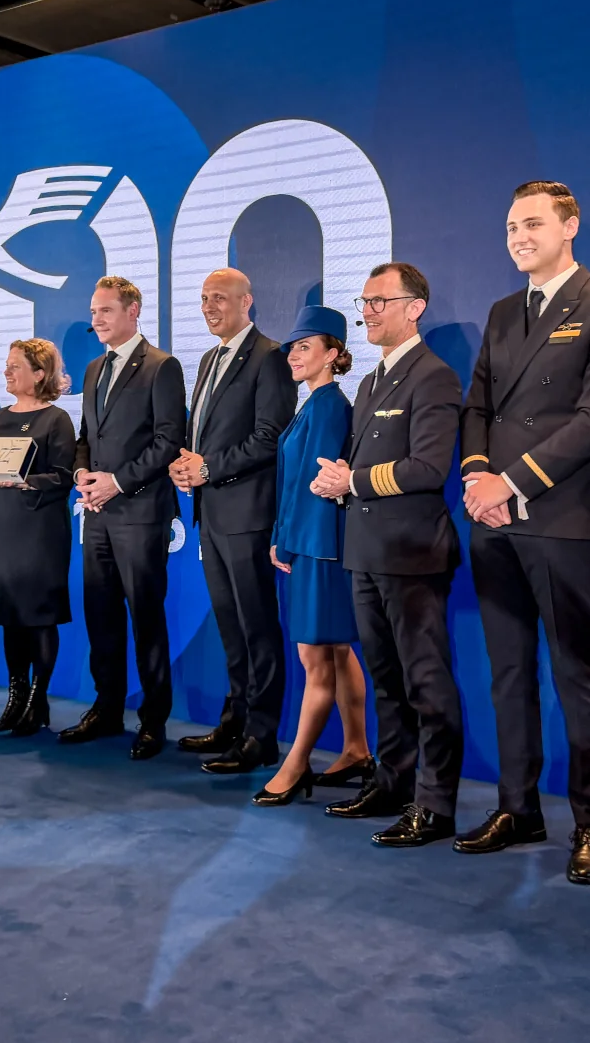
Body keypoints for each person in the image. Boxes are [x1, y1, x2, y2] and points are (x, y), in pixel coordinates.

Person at [453, 181, 590, 885]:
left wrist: (513, 481)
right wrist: (476, 477)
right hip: (492, 520)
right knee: (507, 673)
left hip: (560, 519)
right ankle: (517, 806)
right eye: (509, 226)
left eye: (531, 223)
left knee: (576, 676)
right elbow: (478, 408)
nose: (518, 236)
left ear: (570, 225)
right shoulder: (503, 312)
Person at [310, 262, 465, 848]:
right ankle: (393, 782)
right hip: (366, 553)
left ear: (414, 307)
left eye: (380, 301)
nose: (368, 312)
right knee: (384, 680)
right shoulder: (371, 382)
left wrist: (351, 482)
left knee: (426, 682)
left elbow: (428, 469)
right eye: (365, 301)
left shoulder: (434, 377)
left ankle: (435, 803)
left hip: (412, 554)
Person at [170, 268, 295, 774]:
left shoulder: (270, 357)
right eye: (203, 299)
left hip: (248, 515)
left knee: (258, 628)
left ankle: (261, 736)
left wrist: (208, 467)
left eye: (218, 298)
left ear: (248, 302)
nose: (208, 307)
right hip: (212, 513)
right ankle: (234, 720)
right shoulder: (208, 358)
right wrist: (187, 464)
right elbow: (205, 436)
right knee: (231, 628)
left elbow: (271, 436)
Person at [59, 275, 186, 760]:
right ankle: (106, 706)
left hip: (140, 512)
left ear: (133, 311)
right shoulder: (93, 368)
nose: (95, 320)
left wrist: (117, 481)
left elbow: (168, 441)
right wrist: (83, 472)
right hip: (98, 512)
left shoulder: (162, 366)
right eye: (93, 311)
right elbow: (86, 434)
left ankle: (153, 720)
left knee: (147, 618)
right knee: (102, 614)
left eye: (105, 310)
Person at [254, 306, 371, 807]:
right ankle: (357, 749)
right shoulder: (315, 404)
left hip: (319, 548)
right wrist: (284, 535)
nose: (294, 356)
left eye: (305, 347)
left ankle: (297, 763)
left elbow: (320, 487)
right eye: (292, 348)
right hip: (310, 543)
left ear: (334, 354)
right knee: (338, 651)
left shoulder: (326, 407)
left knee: (316, 658)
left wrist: (288, 540)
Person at [0, 338, 76, 737]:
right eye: (6, 364)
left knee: (38, 616)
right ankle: (16, 697)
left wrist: (23, 482)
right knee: (10, 617)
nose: (6, 371)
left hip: (40, 530)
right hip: (1, 528)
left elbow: (64, 476)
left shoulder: (57, 420)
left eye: (15, 365)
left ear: (39, 374)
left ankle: (39, 699)